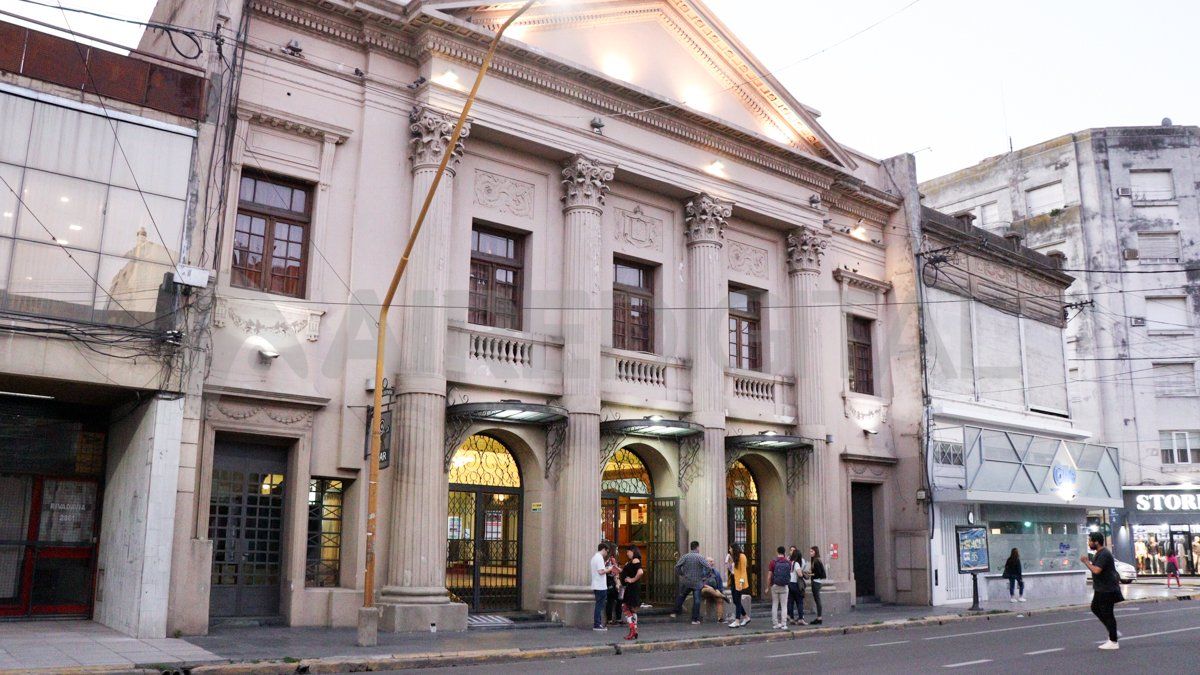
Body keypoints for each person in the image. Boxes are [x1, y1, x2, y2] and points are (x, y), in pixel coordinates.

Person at [1080, 531, 1122, 650]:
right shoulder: (1099, 553)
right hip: (1101, 588)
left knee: (1108, 614)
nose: (1089, 543)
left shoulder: (1104, 554)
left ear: (1096, 542)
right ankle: (1112, 631)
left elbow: (1097, 570)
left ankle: (1113, 641)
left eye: (1090, 541)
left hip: (1107, 589)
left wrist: (1086, 562)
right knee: (1095, 608)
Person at [671, 541, 707, 624]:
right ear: (697, 547)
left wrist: (681, 574)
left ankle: (675, 611)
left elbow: (677, 567)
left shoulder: (685, 556)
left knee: (682, 596)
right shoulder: (700, 557)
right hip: (697, 582)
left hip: (687, 581)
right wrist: (704, 576)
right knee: (697, 600)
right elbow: (708, 567)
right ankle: (694, 619)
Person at [621, 545, 643, 641]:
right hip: (631, 587)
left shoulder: (635, 560)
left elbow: (640, 572)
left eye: (628, 551)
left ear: (633, 551)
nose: (627, 553)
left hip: (632, 588)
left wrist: (632, 580)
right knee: (632, 609)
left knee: (625, 607)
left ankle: (632, 629)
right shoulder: (632, 561)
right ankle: (635, 630)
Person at [727, 544, 751, 627]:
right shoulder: (734, 557)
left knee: (737, 600)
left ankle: (737, 621)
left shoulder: (742, 556)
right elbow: (733, 570)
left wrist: (741, 583)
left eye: (730, 548)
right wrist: (729, 562)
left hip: (739, 581)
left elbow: (743, 571)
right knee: (735, 600)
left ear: (734, 549)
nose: (729, 550)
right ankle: (746, 617)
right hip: (733, 580)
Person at [767, 546, 790, 630]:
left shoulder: (773, 562)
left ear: (777, 552)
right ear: (784, 552)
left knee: (775, 604)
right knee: (784, 605)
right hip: (784, 586)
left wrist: (767, 587)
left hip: (775, 585)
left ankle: (775, 623)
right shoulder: (788, 562)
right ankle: (784, 624)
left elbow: (769, 576)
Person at [590, 542, 611, 631]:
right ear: (604, 549)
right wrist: (609, 569)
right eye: (607, 551)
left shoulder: (594, 557)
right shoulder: (599, 558)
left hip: (596, 585)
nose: (607, 553)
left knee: (598, 605)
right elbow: (601, 571)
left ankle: (597, 623)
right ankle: (597, 624)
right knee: (599, 605)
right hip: (600, 586)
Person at [701, 557, 725, 622]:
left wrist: (719, 590)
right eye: (711, 561)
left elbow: (720, 583)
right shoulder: (701, 571)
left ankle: (720, 618)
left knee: (720, 600)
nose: (713, 563)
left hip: (714, 591)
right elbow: (698, 582)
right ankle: (722, 596)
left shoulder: (716, 572)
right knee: (709, 589)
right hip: (704, 590)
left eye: (713, 561)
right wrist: (707, 586)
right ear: (706, 562)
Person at [787, 548, 808, 625]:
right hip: (795, 584)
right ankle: (801, 619)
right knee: (799, 602)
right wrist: (803, 573)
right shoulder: (796, 564)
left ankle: (791, 618)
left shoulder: (789, 563)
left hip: (790, 583)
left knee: (791, 602)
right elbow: (800, 574)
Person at [808, 546, 825, 625]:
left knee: (817, 600)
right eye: (810, 551)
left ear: (815, 552)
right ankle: (819, 617)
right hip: (816, 582)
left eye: (812, 551)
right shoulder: (814, 560)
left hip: (816, 582)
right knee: (817, 599)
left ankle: (819, 618)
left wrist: (810, 574)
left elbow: (819, 573)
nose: (810, 553)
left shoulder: (816, 561)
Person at [605, 548, 622, 624]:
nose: (617, 551)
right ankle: (614, 619)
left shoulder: (609, 560)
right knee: (613, 600)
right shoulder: (610, 560)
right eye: (616, 550)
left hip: (612, 582)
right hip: (611, 583)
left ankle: (612, 619)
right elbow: (614, 572)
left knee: (613, 600)